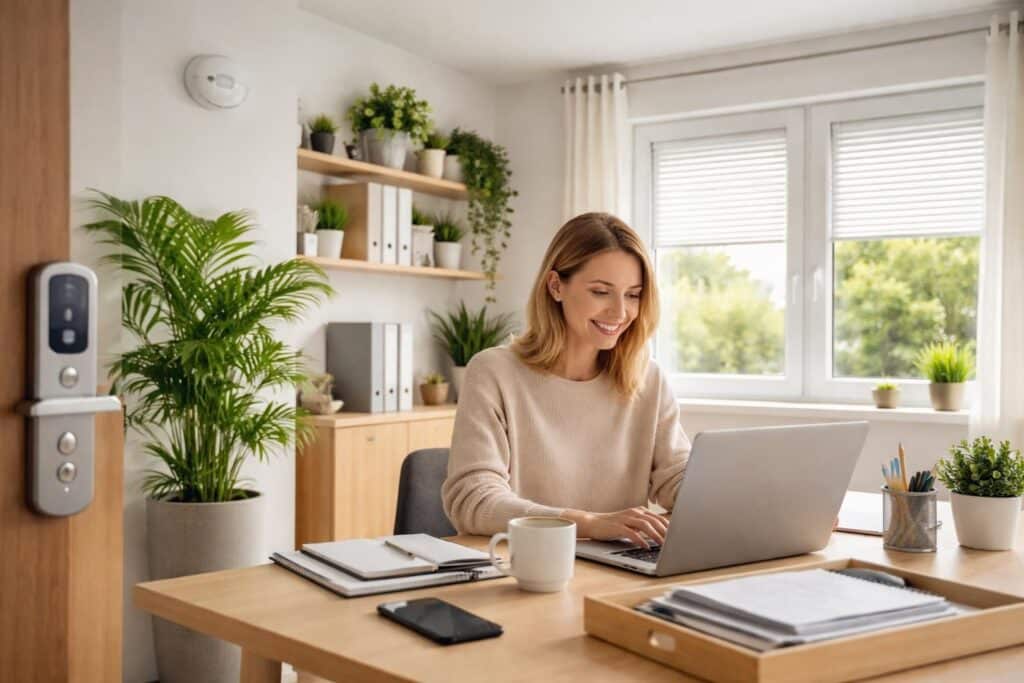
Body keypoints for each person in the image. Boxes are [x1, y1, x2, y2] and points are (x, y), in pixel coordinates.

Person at [441, 212, 690, 548]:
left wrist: (735, 491)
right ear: (556, 286)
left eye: (633, 295)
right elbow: (472, 500)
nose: (620, 313)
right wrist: (588, 523)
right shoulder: (494, 373)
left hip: (617, 569)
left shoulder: (647, 378)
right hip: (527, 567)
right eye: (601, 292)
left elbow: (677, 477)